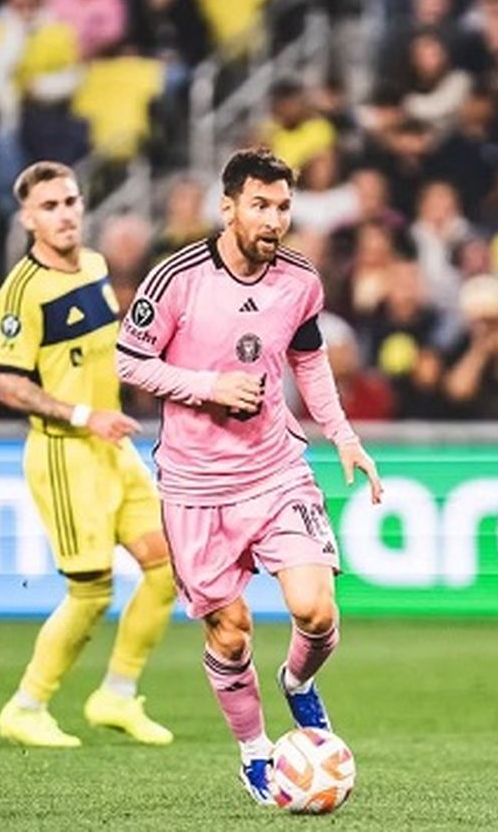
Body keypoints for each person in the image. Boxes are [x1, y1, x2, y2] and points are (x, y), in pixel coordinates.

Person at [115, 149, 383, 804]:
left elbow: (310, 361)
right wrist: (207, 386)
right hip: (195, 486)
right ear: (228, 206)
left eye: (284, 206)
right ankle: (255, 750)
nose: (273, 219)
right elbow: (128, 361)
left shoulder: (300, 279)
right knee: (230, 634)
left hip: (276, 468)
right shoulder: (175, 279)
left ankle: (297, 683)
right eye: (260, 205)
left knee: (314, 611)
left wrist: (343, 436)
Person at [0, 161, 176, 748]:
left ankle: (115, 695)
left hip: (113, 449)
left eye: (70, 201)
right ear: (28, 218)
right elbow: (9, 385)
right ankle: (26, 706)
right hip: (66, 456)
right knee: (92, 593)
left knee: (167, 567)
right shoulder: (20, 292)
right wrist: (81, 415)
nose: (65, 213)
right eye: (49, 206)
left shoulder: (94, 265)